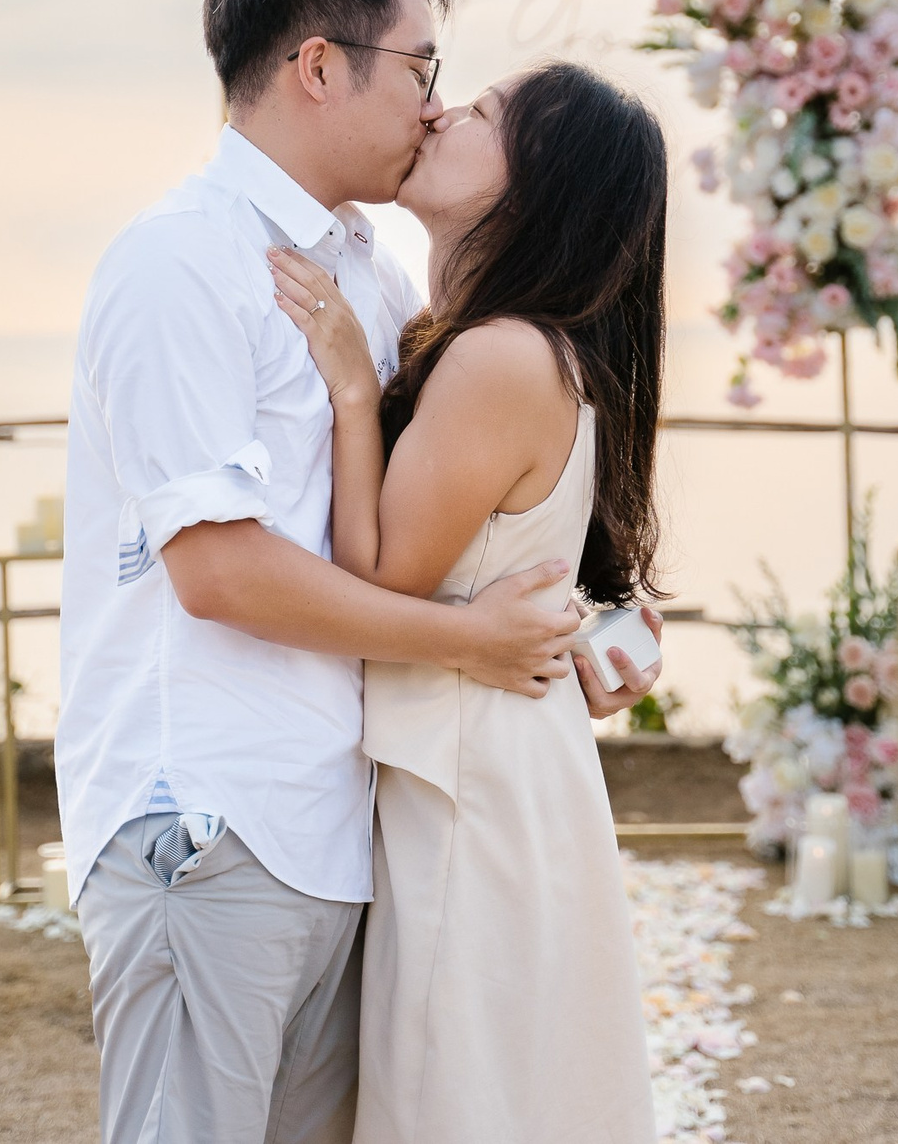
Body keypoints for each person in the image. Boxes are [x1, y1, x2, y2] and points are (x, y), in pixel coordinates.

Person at [55, 0, 664, 1144]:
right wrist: (475, 645)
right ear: (319, 68)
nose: (434, 106)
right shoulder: (182, 263)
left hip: (347, 820)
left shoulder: (380, 282)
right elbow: (217, 572)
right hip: (211, 811)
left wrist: (576, 626)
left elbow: (465, 521)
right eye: (422, 70)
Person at [269, 61, 668, 1144]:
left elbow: (381, 577)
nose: (442, 108)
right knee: (499, 1079)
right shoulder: (517, 346)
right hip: (490, 759)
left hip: (471, 781)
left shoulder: (498, 357)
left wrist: (355, 391)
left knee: (460, 1086)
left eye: (484, 114)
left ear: (536, 187)